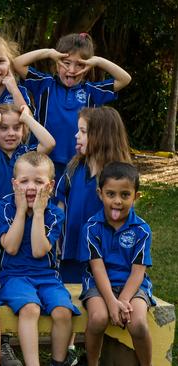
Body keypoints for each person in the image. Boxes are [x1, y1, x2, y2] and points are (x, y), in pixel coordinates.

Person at [0, 152, 80, 366]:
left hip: (47, 276)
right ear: (14, 184)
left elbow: (39, 251)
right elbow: (11, 247)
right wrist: (21, 211)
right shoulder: (5, 207)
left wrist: (39, 213)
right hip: (13, 276)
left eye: (38, 182)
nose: (31, 187)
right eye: (24, 181)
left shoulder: (54, 214)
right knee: (30, 308)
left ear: (50, 186)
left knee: (63, 311)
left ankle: (59, 362)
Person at [13, 33, 131, 180]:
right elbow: (17, 63)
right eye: (66, 63)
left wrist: (98, 61)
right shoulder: (45, 84)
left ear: (87, 68)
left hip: (78, 162)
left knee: (70, 201)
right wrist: (49, 53)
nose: (72, 70)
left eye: (80, 64)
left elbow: (125, 79)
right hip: (42, 159)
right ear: (57, 63)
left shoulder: (92, 91)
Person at [78, 162, 153, 366]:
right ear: (100, 193)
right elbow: (97, 268)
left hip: (133, 286)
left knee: (137, 324)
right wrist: (112, 302)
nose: (117, 201)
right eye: (111, 194)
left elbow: (138, 272)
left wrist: (125, 301)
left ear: (136, 196)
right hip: (98, 285)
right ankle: (92, 363)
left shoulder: (142, 230)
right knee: (98, 319)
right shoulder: (91, 228)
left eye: (125, 195)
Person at [55, 106, 132, 284]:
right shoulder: (73, 168)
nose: (76, 135)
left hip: (106, 261)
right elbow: (60, 205)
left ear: (101, 137)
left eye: (82, 131)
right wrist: (56, 239)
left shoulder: (119, 177)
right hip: (70, 256)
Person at [0, 104, 55, 204]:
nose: (11, 133)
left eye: (17, 128)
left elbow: (49, 144)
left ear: (23, 131)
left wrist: (27, 118)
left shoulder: (27, 153)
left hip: (24, 215)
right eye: (3, 128)